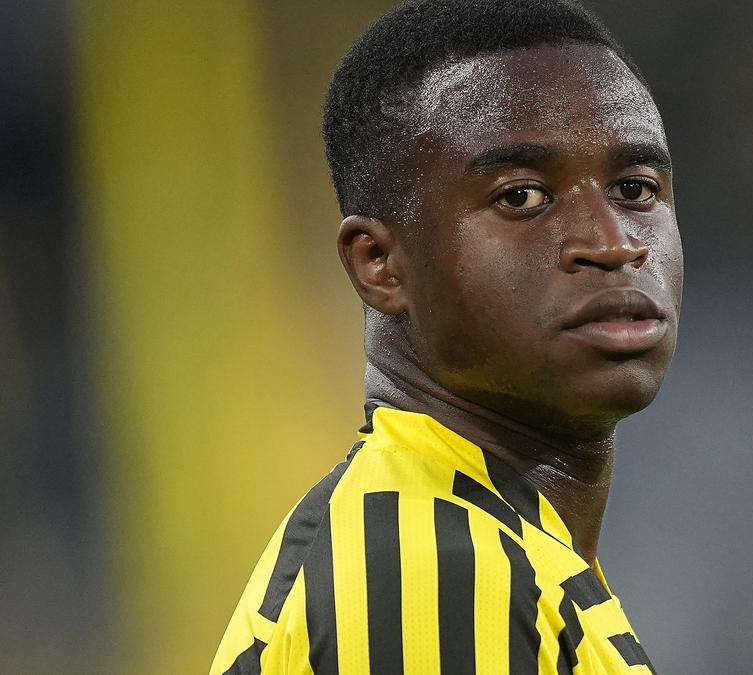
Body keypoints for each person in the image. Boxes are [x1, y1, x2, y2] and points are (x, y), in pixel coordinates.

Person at [210, 0, 681, 672]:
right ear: (379, 264)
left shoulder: (492, 547)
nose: (612, 243)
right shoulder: (429, 567)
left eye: (634, 189)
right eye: (521, 196)